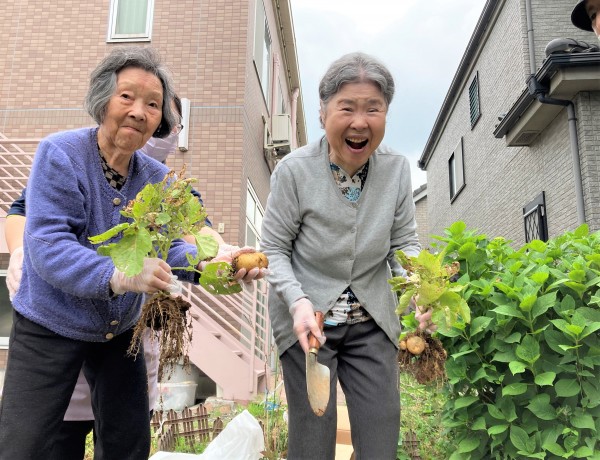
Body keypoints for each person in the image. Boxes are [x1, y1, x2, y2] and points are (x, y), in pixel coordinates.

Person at [0, 46, 264, 459]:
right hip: (50, 318)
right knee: (25, 443)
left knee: (128, 442)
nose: (140, 112)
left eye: (153, 104)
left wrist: (211, 262)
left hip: (117, 328)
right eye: (127, 97)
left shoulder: (157, 177)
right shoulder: (61, 153)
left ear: (162, 121)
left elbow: (170, 245)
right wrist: (119, 275)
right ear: (102, 99)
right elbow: (49, 245)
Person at [260, 52, 422, 459]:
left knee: (381, 439)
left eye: (373, 109)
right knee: (312, 442)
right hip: (309, 324)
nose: (360, 122)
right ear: (323, 113)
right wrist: (297, 302)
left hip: (372, 321)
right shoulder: (294, 171)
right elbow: (274, 249)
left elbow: (404, 244)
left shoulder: (396, 170)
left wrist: (420, 288)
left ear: (386, 115)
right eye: (347, 108)